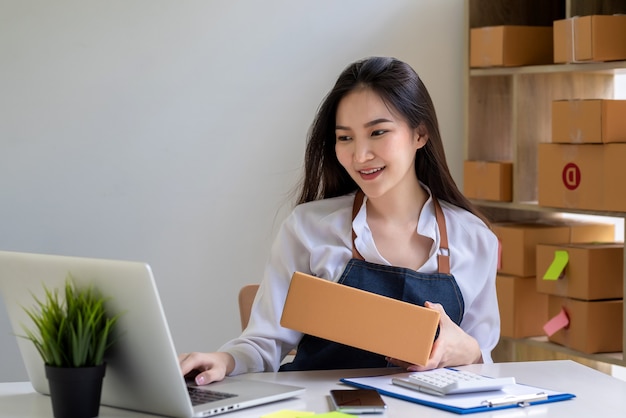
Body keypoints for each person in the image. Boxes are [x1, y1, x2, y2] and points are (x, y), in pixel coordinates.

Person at [179, 56, 500, 385]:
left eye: (377, 132)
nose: (360, 156)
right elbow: (264, 344)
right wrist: (224, 360)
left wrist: (471, 351)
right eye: (345, 138)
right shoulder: (308, 228)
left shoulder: (474, 240)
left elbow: (484, 367)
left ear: (420, 134)